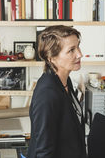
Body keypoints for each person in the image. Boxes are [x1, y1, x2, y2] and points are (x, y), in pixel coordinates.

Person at [27, 25, 86, 158]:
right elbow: (44, 152)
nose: (79, 54)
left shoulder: (65, 81)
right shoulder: (47, 94)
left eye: (78, 46)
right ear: (51, 58)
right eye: (71, 50)